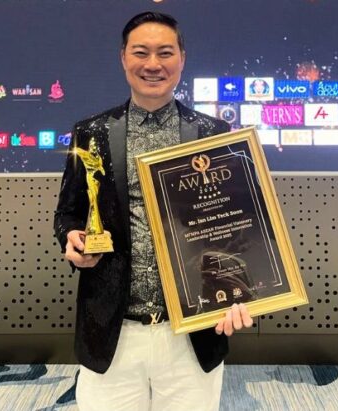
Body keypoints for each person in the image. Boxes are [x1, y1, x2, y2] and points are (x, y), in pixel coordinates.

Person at [53, 11, 253, 411]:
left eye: (165, 52)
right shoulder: (90, 132)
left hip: (193, 330)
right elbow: (68, 212)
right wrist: (72, 238)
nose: (153, 64)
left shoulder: (214, 133)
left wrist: (240, 290)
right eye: (141, 52)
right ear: (123, 57)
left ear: (182, 58)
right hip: (112, 328)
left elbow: (237, 226)